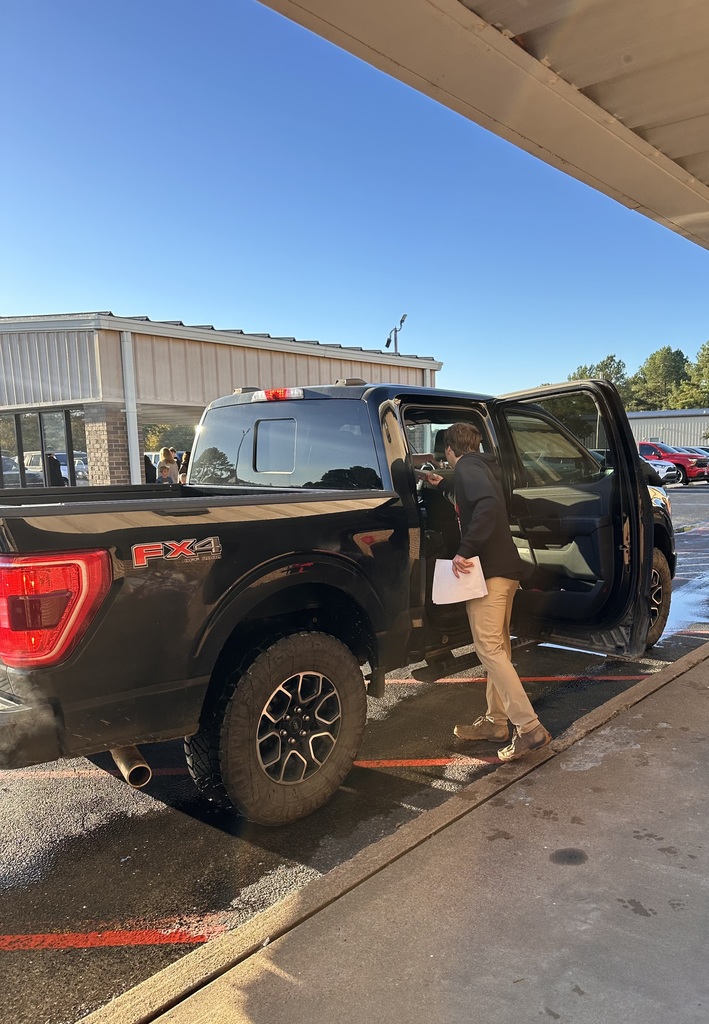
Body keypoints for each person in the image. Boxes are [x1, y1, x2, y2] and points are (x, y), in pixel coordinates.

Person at [423, 422, 551, 761]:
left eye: (445, 456)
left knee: (490, 651)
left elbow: (488, 507)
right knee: (499, 650)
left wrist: (464, 550)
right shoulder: (481, 466)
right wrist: (443, 489)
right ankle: (496, 722)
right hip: (505, 572)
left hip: (489, 574)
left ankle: (529, 728)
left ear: (450, 449)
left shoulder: (466, 467)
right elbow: (474, 501)